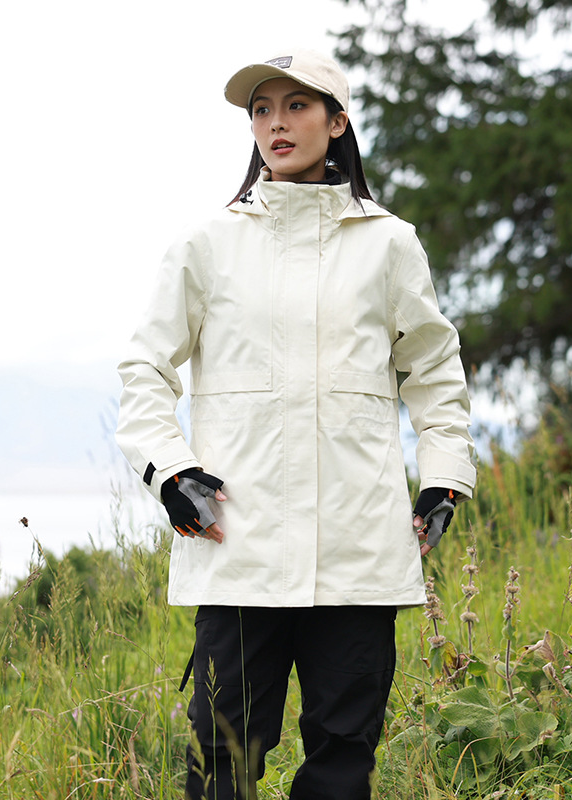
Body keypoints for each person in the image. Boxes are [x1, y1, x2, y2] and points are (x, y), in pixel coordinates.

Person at [116, 49, 476, 800]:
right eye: (261, 110)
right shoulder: (206, 244)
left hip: (358, 552)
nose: (275, 123)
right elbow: (146, 369)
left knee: (344, 755)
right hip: (239, 544)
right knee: (223, 759)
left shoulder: (389, 243)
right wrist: (170, 472)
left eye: (297, 106)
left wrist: (444, 480)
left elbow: (434, 370)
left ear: (337, 122)